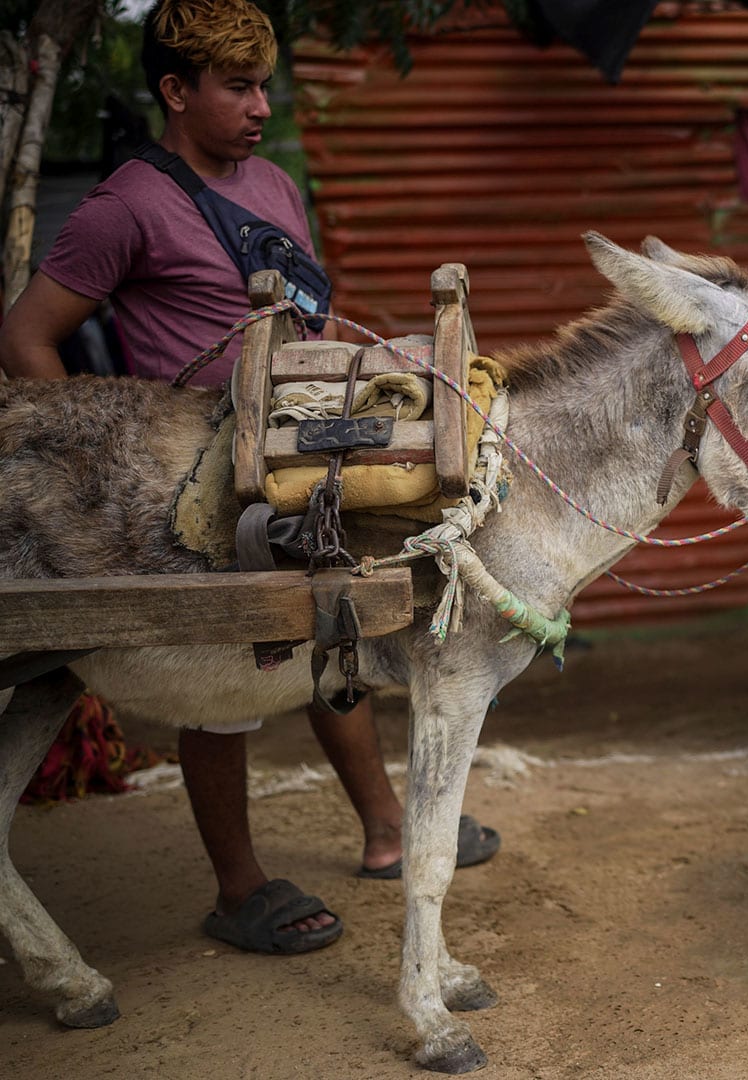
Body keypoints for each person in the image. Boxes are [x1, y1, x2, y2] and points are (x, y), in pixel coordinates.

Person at [0, 0, 498, 954]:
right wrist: (99, 458)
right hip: (189, 478)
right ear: (176, 91)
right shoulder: (126, 205)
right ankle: (239, 888)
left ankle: (389, 829)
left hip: (301, 455)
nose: (260, 105)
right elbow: (26, 336)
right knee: (225, 667)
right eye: (236, 86)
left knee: (329, 624)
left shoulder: (273, 183)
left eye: (263, 83)